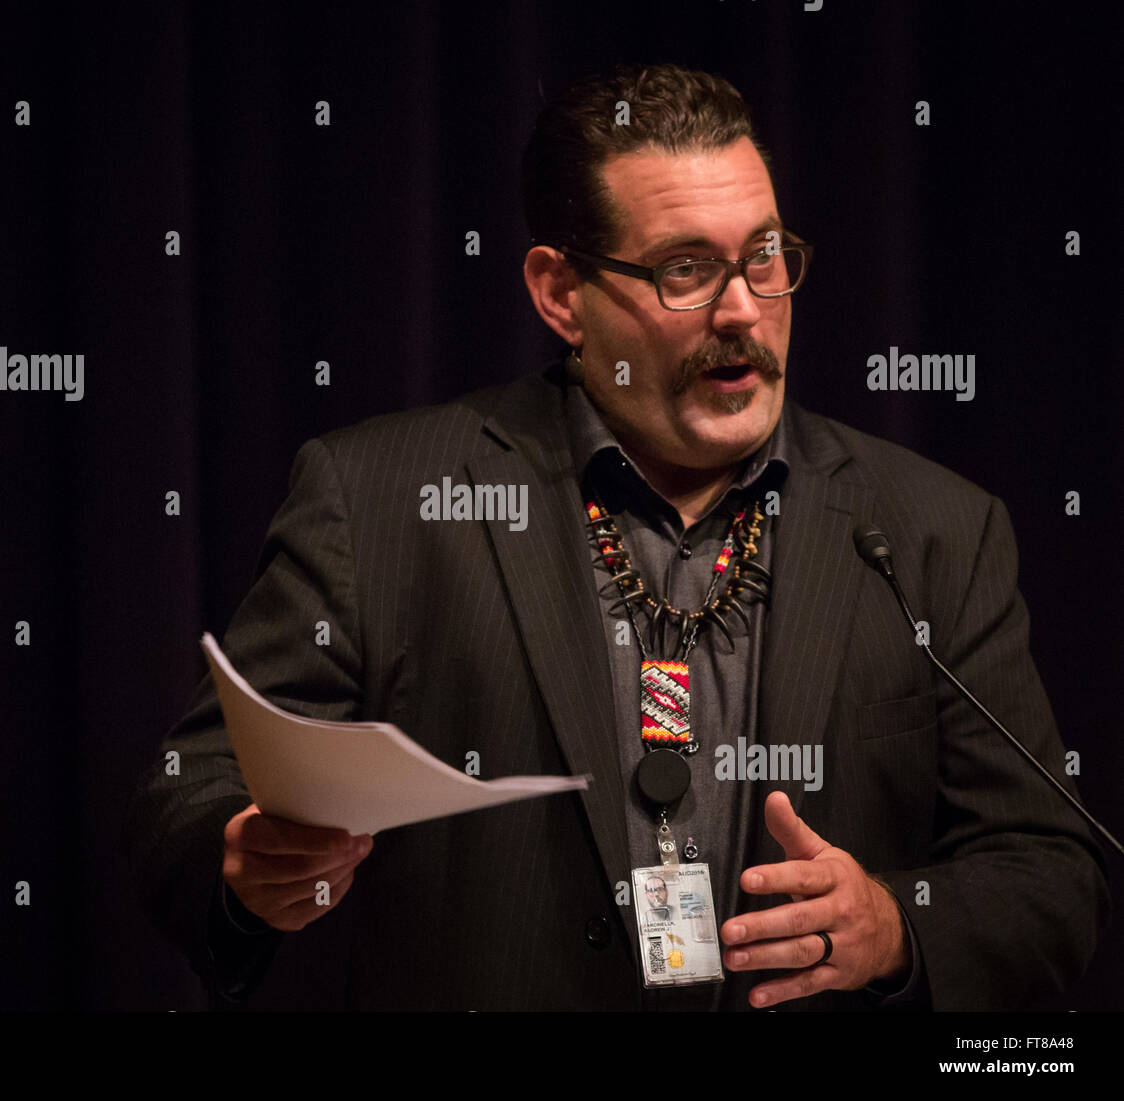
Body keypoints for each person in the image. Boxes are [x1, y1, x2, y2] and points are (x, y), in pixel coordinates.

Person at [125, 63, 1108, 1011]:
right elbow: (188, 788)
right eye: (686, 269)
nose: (740, 311)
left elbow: (1051, 874)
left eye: (763, 256)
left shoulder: (933, 528)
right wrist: (246, 860)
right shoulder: (381, 497)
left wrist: (898, 925)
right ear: (561, 295)